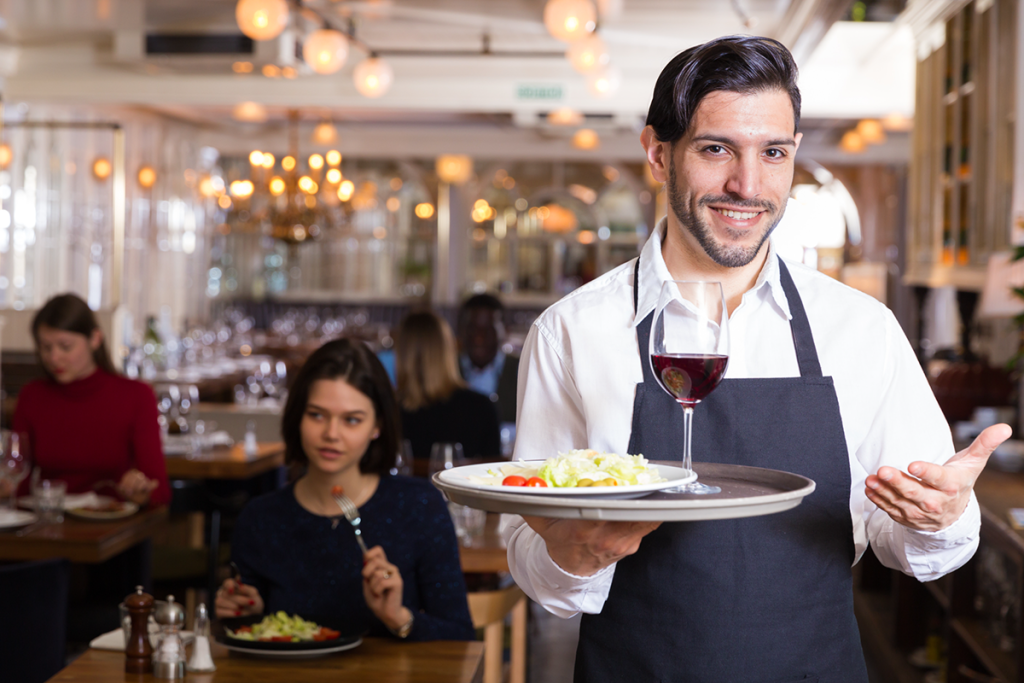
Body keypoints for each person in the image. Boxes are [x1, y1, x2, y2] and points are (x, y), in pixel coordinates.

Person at [502, 35, 1011, 682]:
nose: (748, 184)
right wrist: (573, 555)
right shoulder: (572, 333)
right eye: (717, 149)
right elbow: (529, 551)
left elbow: (922, 549)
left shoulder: (861, 330)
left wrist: (942, 518)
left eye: (774, 153)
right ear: (659, 155)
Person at [215, 338, 475, 642]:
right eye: (316, 415)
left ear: (377, 425)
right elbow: (249, 639)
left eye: (351, 420)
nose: (331, 434)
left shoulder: (419, 506)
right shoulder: (260, 519)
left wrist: (399, 618)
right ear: (297, 417)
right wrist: (247, 614)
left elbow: (460, 639)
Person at [12, 293, 170, 506]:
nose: (53, 357)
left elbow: (159, 490)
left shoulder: (135, 396)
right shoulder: (32, 396)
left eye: (65, 346)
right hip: (49, 521)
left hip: (112, 525)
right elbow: (18, 482)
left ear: (95, 339)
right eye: (45, 347)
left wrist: (140, 490)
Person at [395, 309, 501, 463]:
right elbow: (493, 476)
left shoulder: (386, 410)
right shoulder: (482, 407)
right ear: (448, 350)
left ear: (401, 354)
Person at [457, 293, 519, 425]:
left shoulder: (523, 371)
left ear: (505, 332)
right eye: (472, 329)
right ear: (461, 331)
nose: (479, 339)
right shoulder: (447, 370)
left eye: (488, 330)